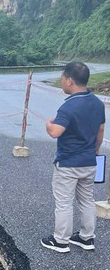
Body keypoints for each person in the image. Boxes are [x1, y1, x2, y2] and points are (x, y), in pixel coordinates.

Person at [40, 61, 105, 253]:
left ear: (69, 81)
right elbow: (100, 130)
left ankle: (60, 241)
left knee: (64, 202)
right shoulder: (97, 103)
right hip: (89, 161)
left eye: (62, 78)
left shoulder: (68, 107)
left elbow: (55, 132)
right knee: (86, 199)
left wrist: (48, 124)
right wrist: (95, 150)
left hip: (68, 162)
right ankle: (87, 237)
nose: (61, 82)